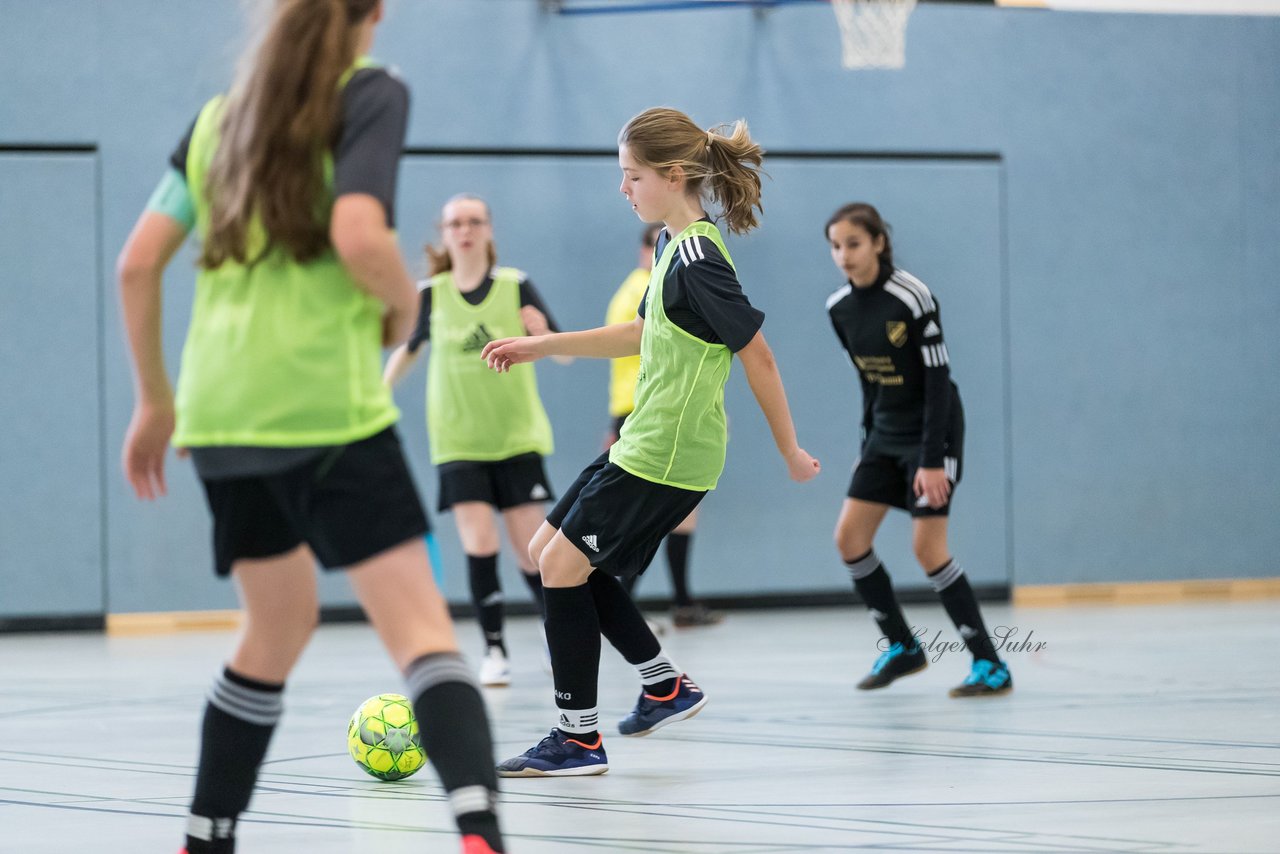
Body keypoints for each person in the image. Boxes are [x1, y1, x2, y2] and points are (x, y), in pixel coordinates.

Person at [116, 2, 503, 852]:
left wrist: (155, 399)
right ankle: (480, 831)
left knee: (276, 626)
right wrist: (408, 305)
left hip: (221, 416)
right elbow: (358, 234)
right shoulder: (371, 93)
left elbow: (137, 262)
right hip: (325, 410)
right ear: (373, 14)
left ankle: (205, 835)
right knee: (421, 634)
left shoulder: (220, 117)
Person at [483, 107, 821, 777]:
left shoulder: (697, 255)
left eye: (631, 175)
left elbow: (759, 356)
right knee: (548, 551)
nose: (623, 188)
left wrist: (788, 448)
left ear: (671, 176)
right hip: (643, 441)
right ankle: (664, 685)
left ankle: (578, 738)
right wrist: (542, 345)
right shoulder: (668, 249)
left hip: (670, 452)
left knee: (561, 566)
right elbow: (640, 336)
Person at [824, 202, 1012, 698]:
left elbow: (937, 381)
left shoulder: (912, 296)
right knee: (850, 539)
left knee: (927, 549)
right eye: (836, 246)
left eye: (854, 244)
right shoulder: (838, 308)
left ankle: (991, 665)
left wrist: (931, 460)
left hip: (934, 430)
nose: (844, 255)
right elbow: (868, 382)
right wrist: (867, 444)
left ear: (879, 243)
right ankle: (903, 648)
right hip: (884, 434)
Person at [385, 194, 563, 687]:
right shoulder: (431, 293)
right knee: (478, 543)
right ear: (444, 233)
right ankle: (494, 649)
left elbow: (562, 353)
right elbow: (407, 351)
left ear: (488, 230)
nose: (464, 230)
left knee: (531, 550)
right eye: (455, 223)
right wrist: (378, 395)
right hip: (458, 440)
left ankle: (560, 639)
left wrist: (543, 332)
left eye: (474, 221)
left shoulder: (516, 285)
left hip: (516, 436)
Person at [606, 224, 722, 628]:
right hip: (647, 412)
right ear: (648, 249)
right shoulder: (646, 289)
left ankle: (681, 600)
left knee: (678, 512)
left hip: (646, 410)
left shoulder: (646, 286)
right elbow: (638, 350)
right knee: (644, 516)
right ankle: (617, 603)